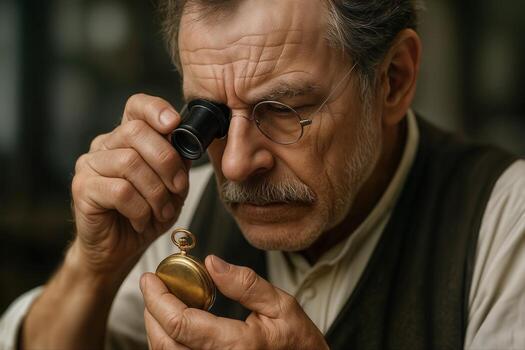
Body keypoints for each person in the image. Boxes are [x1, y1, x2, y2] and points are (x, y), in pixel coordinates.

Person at [2, 0, 525, 349]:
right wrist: (94, 268)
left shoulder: (504, 223)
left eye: (281, 110)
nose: (232, 164)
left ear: (393, 80)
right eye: (207, 117)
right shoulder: (182, 208)